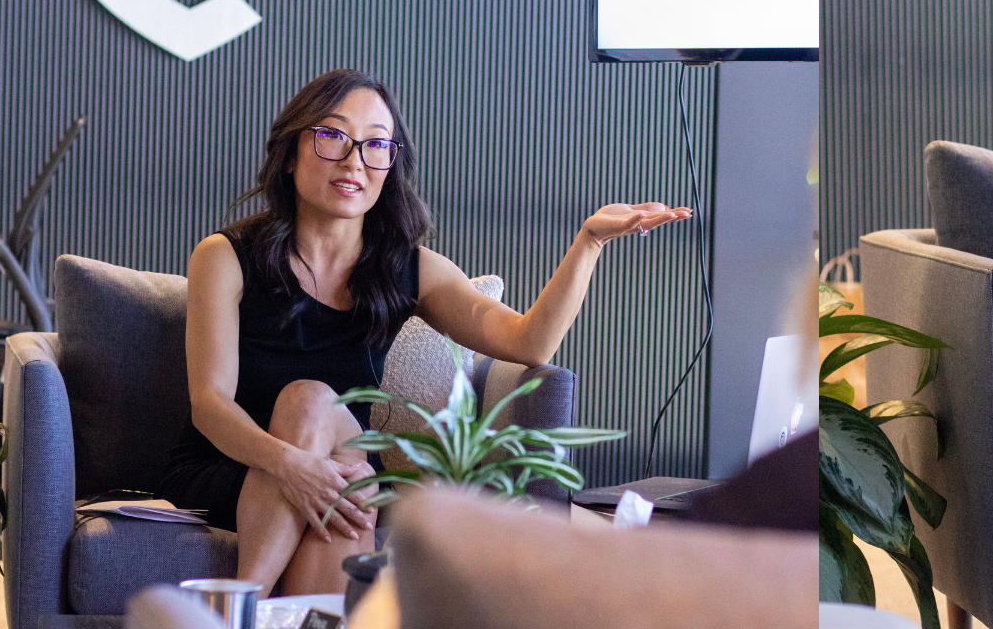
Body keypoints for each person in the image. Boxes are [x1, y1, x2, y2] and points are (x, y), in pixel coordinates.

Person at [156, 69, 690, 595]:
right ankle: (235, 610)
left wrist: (588, 243)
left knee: (333, 441)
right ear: (292, 151)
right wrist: (294, 466)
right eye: (332, 136)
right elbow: (209, 403)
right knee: (312, 408)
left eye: (375, 145)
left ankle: (230, 612)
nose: (353, 161)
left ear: (391, 164)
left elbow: (528, 343)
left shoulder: (407, 268)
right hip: (231, 469)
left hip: (341, 473)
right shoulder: (225, 256)